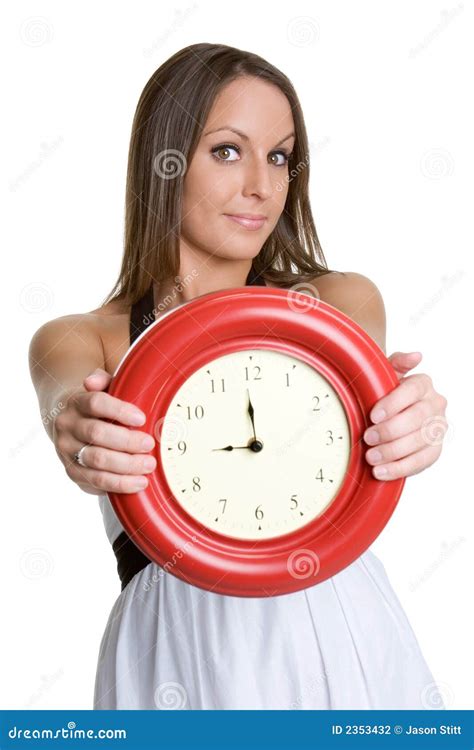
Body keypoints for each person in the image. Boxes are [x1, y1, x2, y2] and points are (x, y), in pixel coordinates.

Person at [28, 43, 449, 710]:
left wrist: (410, 423)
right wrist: (80, 433)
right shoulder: (87, 339)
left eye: (279, 156)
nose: (262, 185)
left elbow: (378, 416)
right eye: (228, 150)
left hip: (341, 632)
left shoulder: (338, 303)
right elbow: (69, 409)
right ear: (163, 164)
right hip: (174, 653)